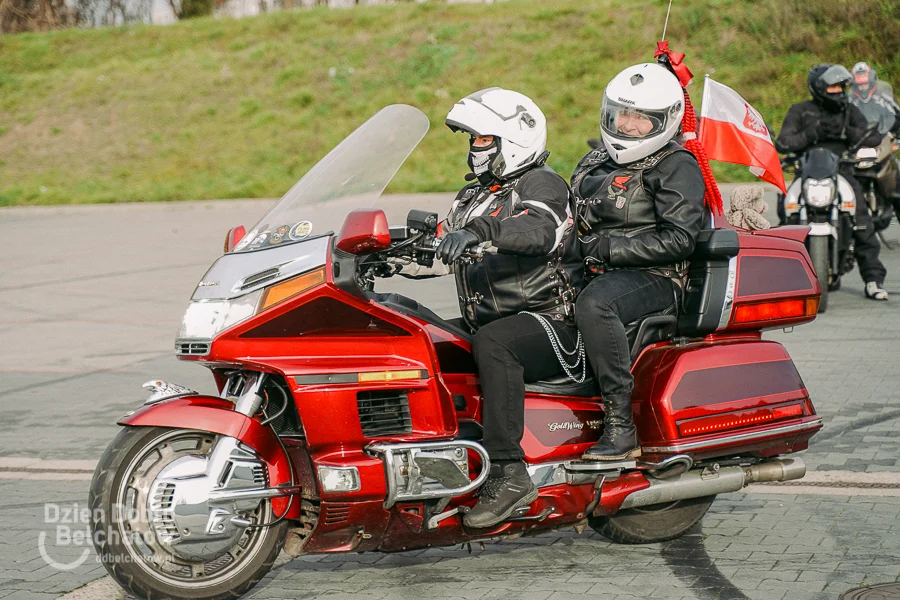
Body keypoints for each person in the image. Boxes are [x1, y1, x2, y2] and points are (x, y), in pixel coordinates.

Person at [388, 88, 583, 527]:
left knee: (496, 343)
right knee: (407, 327)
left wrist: (478, 232)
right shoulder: (473, 196)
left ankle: (510, 472)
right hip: (493, 321)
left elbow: (538, 230)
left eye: (481, 140)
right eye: (471, 141)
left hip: (550, 323)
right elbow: (440, 246)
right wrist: (381, 251)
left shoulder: (542, 184)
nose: (474, 150)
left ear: (511, 140)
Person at [570, 63, 705, 461]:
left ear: (665, 121)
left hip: (655, 276)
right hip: (596, 269)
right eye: (621, 113)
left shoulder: (675, 164)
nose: (627, 124)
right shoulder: (594, 160)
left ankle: (620, 425)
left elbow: (680, 239)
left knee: (595, 305)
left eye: (640, 118)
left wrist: (607, 248)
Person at [776, 64, 887, 300]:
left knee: (863, 222)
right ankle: (784, 279)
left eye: (840, 86)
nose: (838, 90)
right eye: (833, 86)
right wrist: (810, 135)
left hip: (843, 173)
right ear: (820, 88)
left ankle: (874, 280)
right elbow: (783, 141)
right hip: (805, 173)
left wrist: (849, 132)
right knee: (786, 215)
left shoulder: (850, 111)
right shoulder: (801, 111)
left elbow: (873, 136)